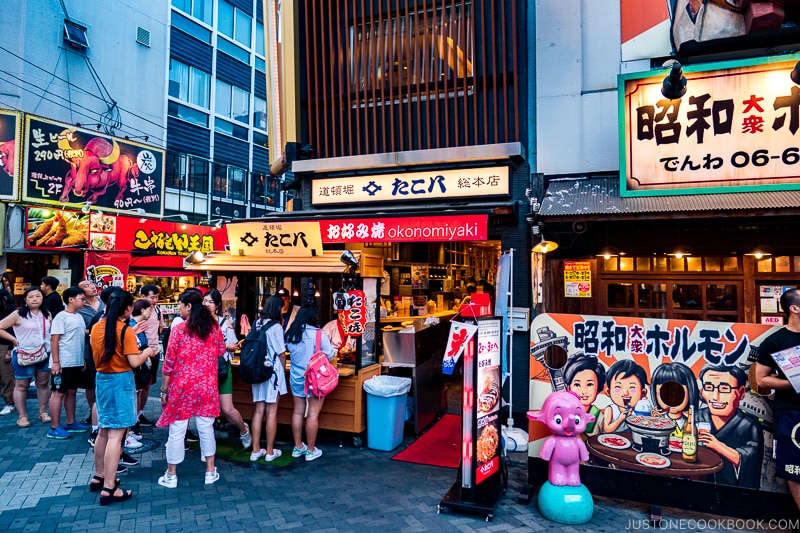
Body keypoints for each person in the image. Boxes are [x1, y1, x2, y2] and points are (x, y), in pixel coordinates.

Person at [157, 289, 225, 488]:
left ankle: (171, 475)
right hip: (207, 386)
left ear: (188, 306)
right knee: (206, 428)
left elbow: (168, 363)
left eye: (180, 304)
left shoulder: (178, 330)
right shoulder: (213, 328)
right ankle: (210, 471)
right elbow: (221, 351)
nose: (179, 308)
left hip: (182, 386)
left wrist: (163, 390)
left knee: (177, 430)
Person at [89, 289, 152, 505]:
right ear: (127, 309)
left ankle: (99, 477)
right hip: (121, 381)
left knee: (104, 432)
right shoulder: (124, 330)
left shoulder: (96, 327)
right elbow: (135, 362)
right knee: (117, 435)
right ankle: (109, 487)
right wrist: (148, 352)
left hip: (102, 379)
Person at [756, 288, 800, 509]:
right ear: (795, 308)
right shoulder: (775, 341)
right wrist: (794, 383)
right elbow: (761, 380)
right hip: (791, 413)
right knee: (795, 469)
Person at [695, 364, 762, 489]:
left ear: (741, 392)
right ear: (702, 392)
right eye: (709, 387)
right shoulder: (695, 417)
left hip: (730, 495)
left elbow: (751, 462)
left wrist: (718, 446)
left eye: (724, 389)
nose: (715, 397)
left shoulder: (749, 426)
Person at [202, 289, 252, 449]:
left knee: (227, 409)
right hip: (203, 371)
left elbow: (234, 346)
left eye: (210, 302)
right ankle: (207, 445)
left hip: (222, 368)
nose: (206, 304)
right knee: (205, 408)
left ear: (217, 306)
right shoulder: (197, 323)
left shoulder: (224, 323)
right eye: (204, 301)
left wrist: (218, 345)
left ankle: (244, 430)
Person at [287, 303, 336, 462]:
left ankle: (297, 447)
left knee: (297, 411)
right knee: (313, 414)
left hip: (296, 377)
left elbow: (286, 350)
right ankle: (310, 450)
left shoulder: (291, 333)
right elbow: (330, 354)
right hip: (314, 379)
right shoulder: (318, 333)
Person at [0, 286, 52, 428]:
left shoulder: (47, 314)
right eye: (31, 297)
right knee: (22, 385)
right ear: (25, 300)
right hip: (24, 353)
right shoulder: (18, 314)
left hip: (44, 353)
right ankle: (22, 416)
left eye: (38, 296)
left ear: (43, 298)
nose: (35, 299)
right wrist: (13, 340)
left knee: (43, 383)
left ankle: (43, 412)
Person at [47, 286, 90, 439]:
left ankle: (71, 422)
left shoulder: (78, 317)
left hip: (76, 361)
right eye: (81, 298)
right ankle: (54, 427)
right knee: (58, 393)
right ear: (70, 299)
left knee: (71, 392)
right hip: (63, 362)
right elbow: (54, 339)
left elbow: (79, 338)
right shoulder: (61, 317)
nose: (84, 301)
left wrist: (82, 359)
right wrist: (56, 362)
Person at [249, 295, 288, 462]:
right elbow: (281, 353)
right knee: (271, 412)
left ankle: (256, 450)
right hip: (272, 373)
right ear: (277, 308)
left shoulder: (256, 323)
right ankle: (270, 451)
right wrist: (284, 368)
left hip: (257, 371)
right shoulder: (276, 327)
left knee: (258, 411)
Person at [77, 280, 105, 426]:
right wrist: (97, 331)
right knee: (90, 384)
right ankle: (92, 411)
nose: (92, 287)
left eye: (92, 285)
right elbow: (79, 330)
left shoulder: (103, 302)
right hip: (89, 349)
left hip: (106, 348)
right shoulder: (79, 308)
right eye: (87, 286)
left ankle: (101, 411)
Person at [649, 362, 700, 438]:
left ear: (690, 392)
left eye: (678, 393)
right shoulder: (656, 420)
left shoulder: (693, 425)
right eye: (664, 393)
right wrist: (655, 422)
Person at [136, 284, 163, 427]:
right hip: (141, 352)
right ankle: (134, 416)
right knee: (138, 387)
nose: (155, 300)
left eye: (156, 297)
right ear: (143, 297)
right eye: (152, 297)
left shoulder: (158, 310)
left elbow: (160, 327)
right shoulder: (138, 311)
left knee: (147, 385)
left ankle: (140, 413)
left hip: (155, 351)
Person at [602, 359, 652, 433]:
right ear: (608, 392)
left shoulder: (640, 410)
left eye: (632, 388)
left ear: (643, 393)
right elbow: (607, 429)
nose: (625, 393)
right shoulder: (611, 409)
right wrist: (620, 419)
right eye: (618, 388)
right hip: (613, 441)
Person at [562, 353, 606, 436]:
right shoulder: (563, 413)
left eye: (590, 384)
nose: (583, 391)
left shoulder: (600, 418)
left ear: (598, 388)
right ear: (569, 387)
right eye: (577, 385)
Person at [0, 289, 17, 416]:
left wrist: (10, 350)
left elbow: (13, 333)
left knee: (6, 376)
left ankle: (10, 402)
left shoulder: (11, 313)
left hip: (5, 346)